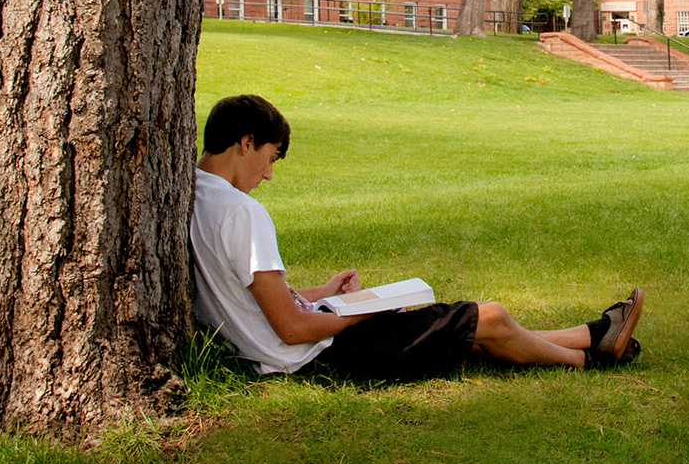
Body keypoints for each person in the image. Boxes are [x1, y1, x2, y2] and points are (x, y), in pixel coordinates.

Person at [190, 94, 644, 381]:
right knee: (489, 317)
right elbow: (292, 329)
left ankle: (592, 335)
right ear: (246, 142)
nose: (268, 175)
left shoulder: (195, 194)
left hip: (299, 349)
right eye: (270, 157)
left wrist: (325, 292)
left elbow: (256, 297)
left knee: (471, 332)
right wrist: (362, 314)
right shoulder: (242, 211)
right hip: (319, 355)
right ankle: (591, 358)